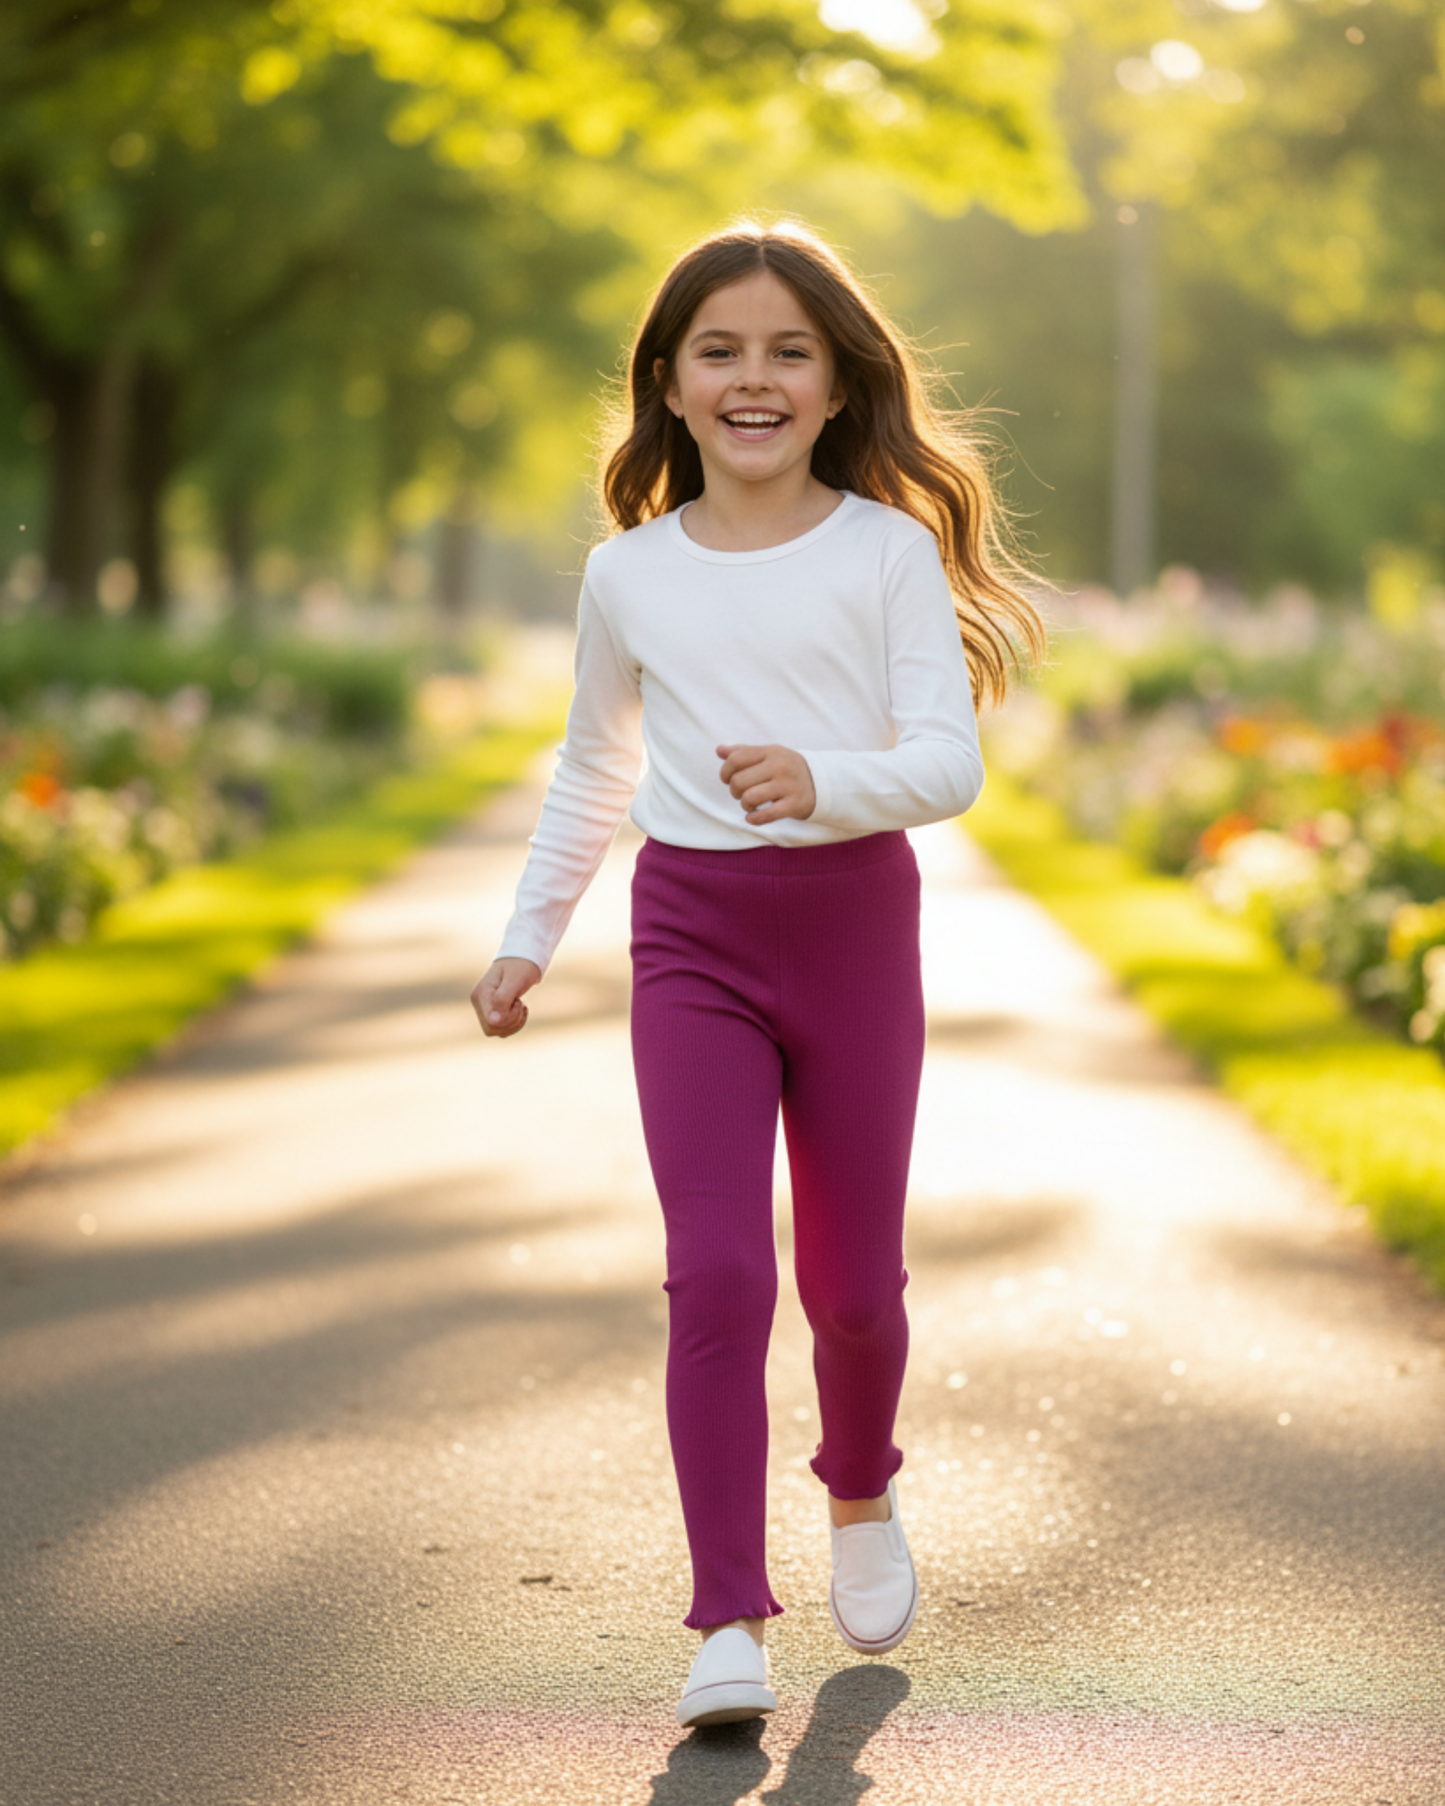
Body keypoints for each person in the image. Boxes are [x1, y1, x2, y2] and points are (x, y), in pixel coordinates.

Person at [470, 219, 1044, 1730]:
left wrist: (824, 781)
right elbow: (594, 766)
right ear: (666, 382)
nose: (754, 378)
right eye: (719, 349)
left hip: (855, 928)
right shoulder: (628, 575)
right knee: (717, 1273)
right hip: (694, 941)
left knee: (852, 1288)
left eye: (791, 350)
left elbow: (947, 759)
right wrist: (530, 935)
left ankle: (861, 1488)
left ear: (842, 385)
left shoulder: (886, 551)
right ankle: (726, 1612)